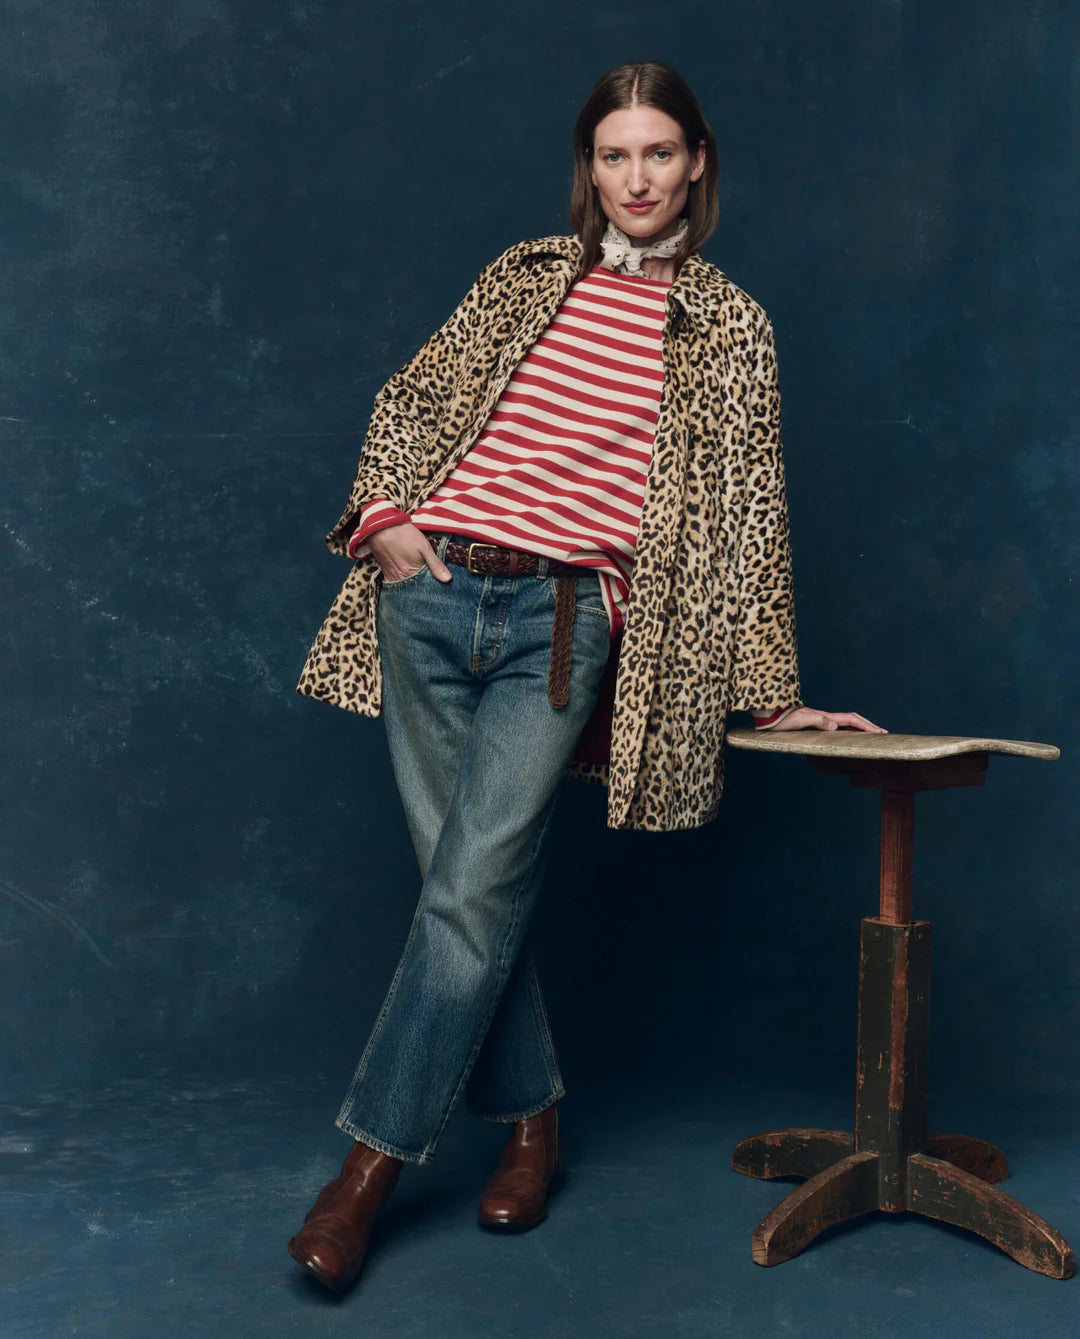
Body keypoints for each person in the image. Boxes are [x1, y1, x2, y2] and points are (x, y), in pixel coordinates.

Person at [289, 60, 886, 1295]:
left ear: (698, 161)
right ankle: (532, 1126)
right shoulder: (526, 274)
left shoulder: (730, 327)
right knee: (466, 893)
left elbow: (748, 517)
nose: (637, 178)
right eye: (615, 156)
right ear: (591, 168)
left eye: (659, 153)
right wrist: (386, 519)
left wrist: (772, 690)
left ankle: (365, 1171)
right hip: (428, 594)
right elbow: (413, 400)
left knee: (470, 893)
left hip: (564, 624)